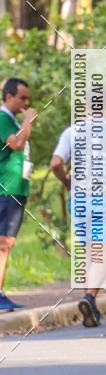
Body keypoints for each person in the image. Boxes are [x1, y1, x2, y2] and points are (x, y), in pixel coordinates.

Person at [50, 91, 106, 327]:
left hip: (78, 199)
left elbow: (55, 163)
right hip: (105, 198)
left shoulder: (71, 132)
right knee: (101, 247)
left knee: (88, 247)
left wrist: (67, 181)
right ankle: (90, 296)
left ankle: (89, 297)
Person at [0, 78, 36, 311]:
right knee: (4, 243)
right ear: (8, 97)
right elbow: (16, 144)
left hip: (15, 189)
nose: (26, 103)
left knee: (5, 243)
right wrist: (28, 122)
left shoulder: (10, 120)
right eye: (22, 98)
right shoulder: (3, 119)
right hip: (7, 189)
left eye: (27, 99)